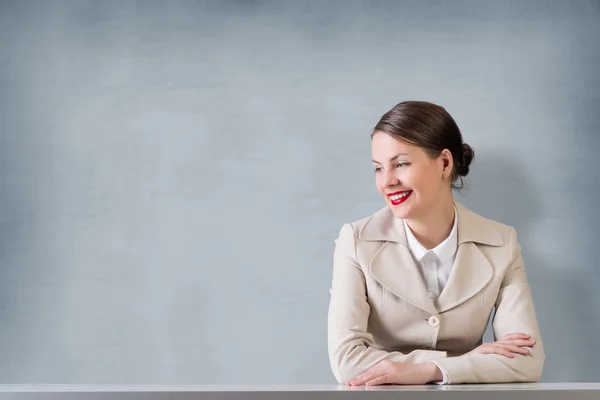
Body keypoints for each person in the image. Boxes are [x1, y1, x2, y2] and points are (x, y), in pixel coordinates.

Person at [327, 101, 545, 385]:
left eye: (401, 164)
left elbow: (527, 361)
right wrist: (460, 362)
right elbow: (346, 361)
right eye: (378, 169)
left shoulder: (501, 243)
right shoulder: (356, 241)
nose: (386, 182)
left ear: (444, 163)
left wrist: (431, 371)